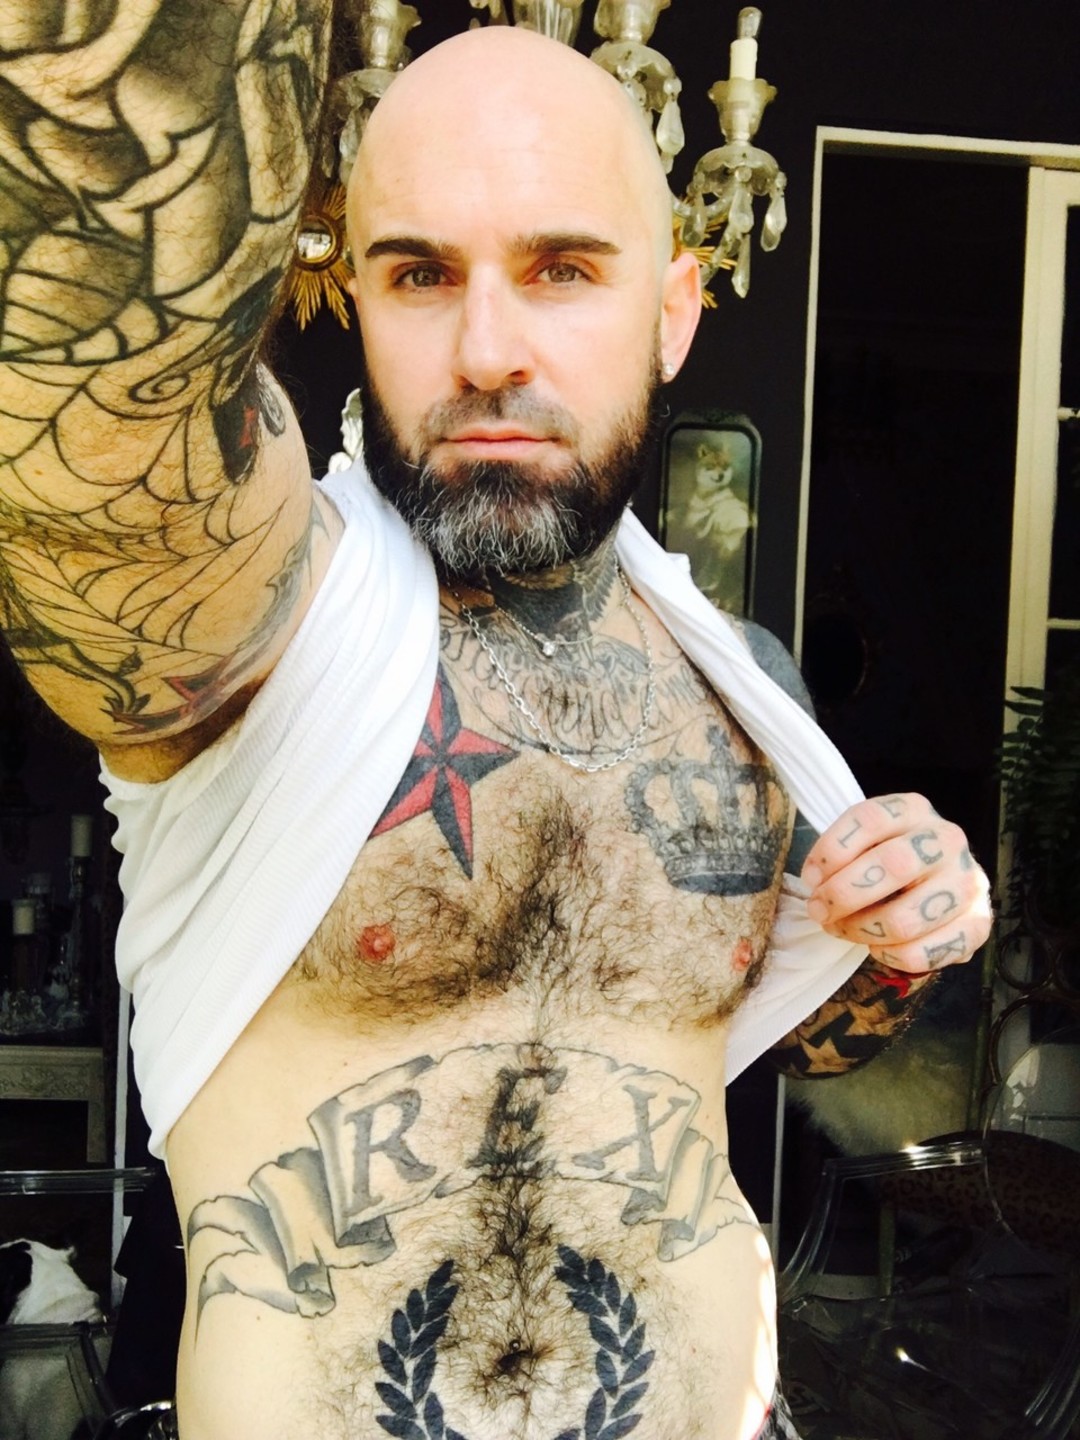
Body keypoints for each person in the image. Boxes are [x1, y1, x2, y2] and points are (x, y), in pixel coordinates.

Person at [0, 9, 990, 1438]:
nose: (484, 350)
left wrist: (902, 925)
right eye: (418, 274)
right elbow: (96, 368)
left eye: (562, 269)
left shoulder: (748, 684)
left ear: (674, 309)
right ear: (351, 295)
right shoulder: (253, 627)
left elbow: (791, 1046)